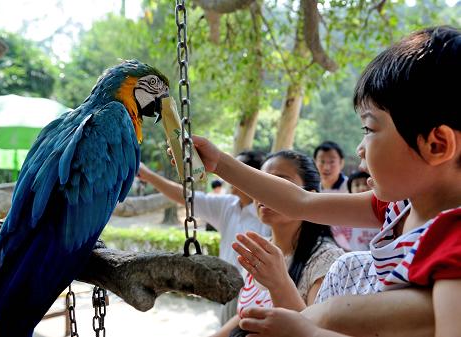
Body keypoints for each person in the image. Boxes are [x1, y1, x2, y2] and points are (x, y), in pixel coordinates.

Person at [184, 26, 460, 336]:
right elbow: (301, 201)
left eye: (369, 129)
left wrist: (310, 332)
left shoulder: (454, 242)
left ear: (436, 145)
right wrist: (220, 162)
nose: (360, 148)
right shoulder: (397, 209)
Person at [210, 151, 343, 337]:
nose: (266, 193)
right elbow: (245, 315)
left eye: (279, 183)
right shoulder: (261, 249)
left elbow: (315, 331)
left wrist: (279, 283)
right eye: (261, 184)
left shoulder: (327, 261)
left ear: (310, 196)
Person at [137, 150, 271, 325]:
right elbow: (186, 196)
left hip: (258, 297)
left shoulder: (269, 216)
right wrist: (147, 175)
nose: (227, 177)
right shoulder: (228, 205)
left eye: (234, 171)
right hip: (230, 292)